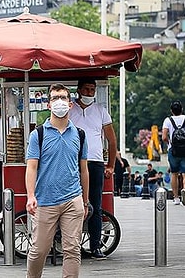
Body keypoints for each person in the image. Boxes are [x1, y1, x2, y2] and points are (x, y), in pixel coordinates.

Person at [26, 83, 90, 278]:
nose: (59, 102)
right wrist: (30, 196)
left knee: (72, 250)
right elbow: (32, 167)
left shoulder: (79, 134)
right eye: (55, 98)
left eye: (63, 97)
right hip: (45, 201)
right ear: (48, 104)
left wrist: (85, 201)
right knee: (39, 250)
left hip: (73, 199)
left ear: (70, 104)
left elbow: (84, 170)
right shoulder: (38, 134)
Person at [68, 78, 117, 259]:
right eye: (87, 89)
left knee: (95, 204)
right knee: (72, 204)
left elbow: (111, 140)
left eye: (92, 90)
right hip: (72, 161)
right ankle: (71, 245)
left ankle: (95, 246)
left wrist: (111, 165)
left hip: (95, 162)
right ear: (79, 90)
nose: (90, 93)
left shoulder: (101, 111)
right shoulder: (70, 109)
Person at [161, 100, 185, 205]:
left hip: (173, 150)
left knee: (174, 174)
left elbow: (164, 137)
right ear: (182, 109)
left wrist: (170, 143)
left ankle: (176, 198)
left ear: (171, 110)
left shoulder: (168, 120)